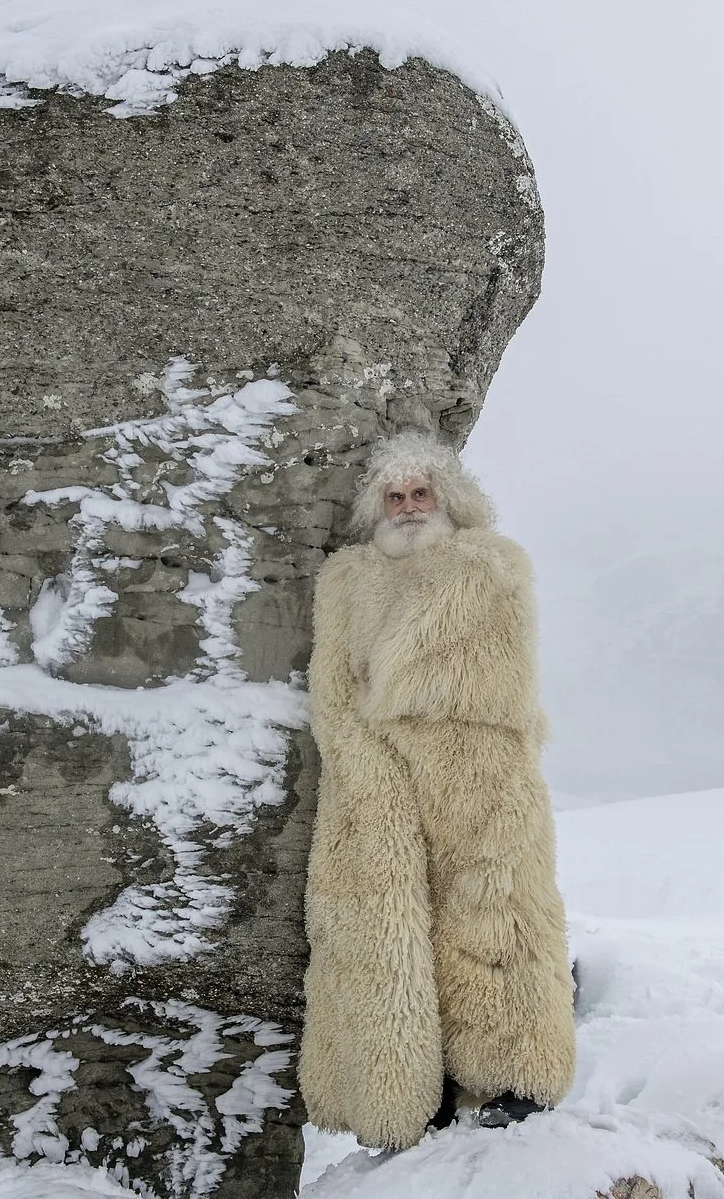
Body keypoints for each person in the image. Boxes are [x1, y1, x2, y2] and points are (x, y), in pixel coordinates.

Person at [298, 433, 577, 1150]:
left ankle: (517, 1074)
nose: (409, 507)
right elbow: (331, 691)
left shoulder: (492, 567)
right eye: (395, 496)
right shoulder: (347, 581)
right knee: (389, 932)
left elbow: (506, 680)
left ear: (448, 498)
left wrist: (426, 722)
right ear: (376, 507)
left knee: (495, 920)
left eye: (421, 493)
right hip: (375, 778)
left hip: (479, 768)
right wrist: (368, 754)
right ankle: (414, 1093)